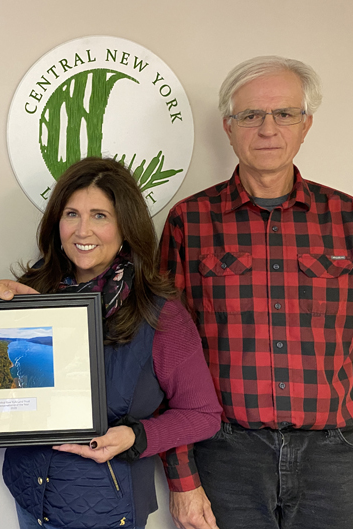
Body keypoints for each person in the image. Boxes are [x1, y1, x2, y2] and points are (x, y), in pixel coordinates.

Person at [0, 157, 222, 529]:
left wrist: (134, 437)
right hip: (30, 500)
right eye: (71, 214)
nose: (82, 230)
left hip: (106, 511)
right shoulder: (32, 292)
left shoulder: (160, 314)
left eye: (100, 216)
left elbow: (204, 415)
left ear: (126, 226)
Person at [159, 55, 353, 529]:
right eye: (251, 115)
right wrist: (183, 479)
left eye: (284, 113)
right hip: (225, 453)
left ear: (305, 125)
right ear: (228, 127)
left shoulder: (347, 220)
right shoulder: (190, 221)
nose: (268, 128)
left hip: (336, 457)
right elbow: (165, 361)